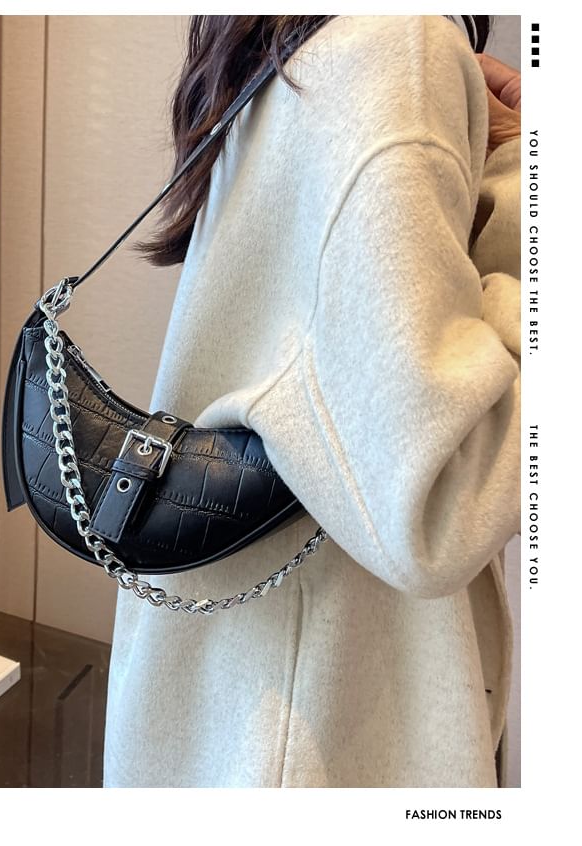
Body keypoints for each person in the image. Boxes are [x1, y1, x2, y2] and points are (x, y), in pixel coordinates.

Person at [103, 14, 521, 788]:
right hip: (318, 729)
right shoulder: (397, 48)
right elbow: (437, 505)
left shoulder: (281, 47)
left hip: (225, 702)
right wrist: (522, 167)